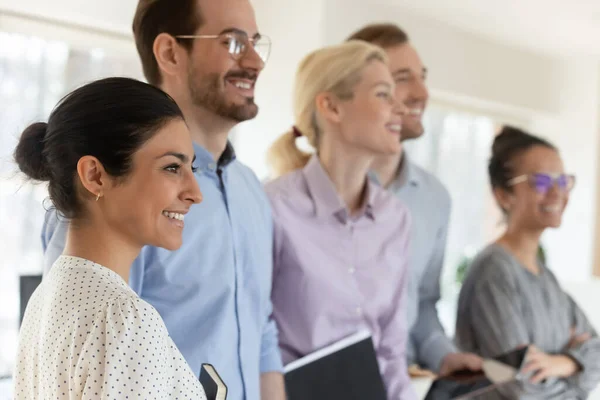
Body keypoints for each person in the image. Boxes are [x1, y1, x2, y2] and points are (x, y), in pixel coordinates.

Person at [40, 1, 286, 399]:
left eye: (255, 43)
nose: (256, 61)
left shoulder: (252, 192)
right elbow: (76, 359)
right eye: (234, 43)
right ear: (171, 52)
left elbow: (262, 332)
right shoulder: (114, 195)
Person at [13, 77, 205, 398]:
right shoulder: (122, 320)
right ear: (95, 175)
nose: (195, 193)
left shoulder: (47, 298)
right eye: (172, 168)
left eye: (192, 169)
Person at [266, 40, 416, 399]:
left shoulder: (396, 219)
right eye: (383, 94)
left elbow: (392, 351)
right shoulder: (273, 206)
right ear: (331, 106)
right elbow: (257, 334)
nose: (400, 107)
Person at [347, 23, 482, 376]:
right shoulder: (292, 196)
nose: (422, 92)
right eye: (402, 77)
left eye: (422, 76)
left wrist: (444, 355)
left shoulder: (435, 199)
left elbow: (421, 303)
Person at [455, 126, 600, 398]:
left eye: (563, 181)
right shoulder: (494, 271)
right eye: (542, 182)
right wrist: (575, 371)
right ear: (503, 195)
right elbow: (518, 386)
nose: (557, 193)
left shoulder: (546, 277)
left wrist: (563, 362)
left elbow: (597, 353)